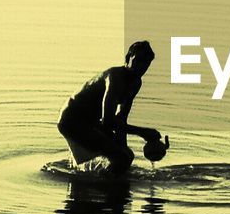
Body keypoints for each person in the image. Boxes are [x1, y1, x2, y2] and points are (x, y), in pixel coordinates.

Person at [57, 40, 169, 172]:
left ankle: (106, 183)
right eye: (138, 60)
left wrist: (123, 147)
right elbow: (108, 121)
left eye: (146, 63)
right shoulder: (115, 77)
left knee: (127, 156)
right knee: (122, 158)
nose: (141, 67)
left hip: (90, 122)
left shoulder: (136, 83)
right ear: (128, 59)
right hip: (71, 120)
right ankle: (105, 186)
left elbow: (121, 119)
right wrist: (143, 132)